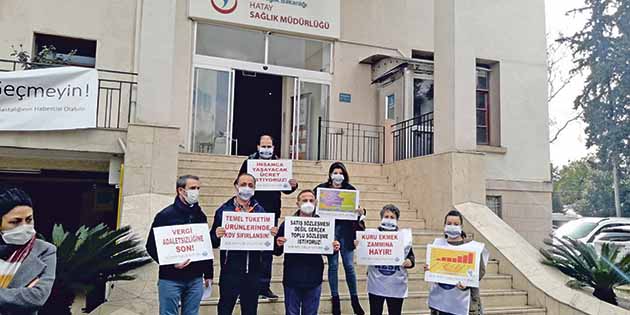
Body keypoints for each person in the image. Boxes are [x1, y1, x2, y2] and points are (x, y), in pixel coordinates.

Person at [238, 134, 298, 299]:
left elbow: (286, 189)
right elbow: (240, 183)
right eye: (263, 146)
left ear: (273, 147)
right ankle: (244, 285)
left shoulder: (279, 165)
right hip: (251, 211)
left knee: (267, 251)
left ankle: (264, 286)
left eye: (269, 146)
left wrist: (293, 186)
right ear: (257, 147)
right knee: (248, 249)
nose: (266, 149)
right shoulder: (249, 163)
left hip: (271, 213)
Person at [210, 173, 279, 315]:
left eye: (250, 185)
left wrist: (272, 235)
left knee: (250, 310)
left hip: (253, 272)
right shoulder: (223, 211)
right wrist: (216, 235)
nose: (247, 188)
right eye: (243, 184)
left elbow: (268, 246)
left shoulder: (261, 211)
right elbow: (213, 241)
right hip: (230, 271)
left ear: (255, 189)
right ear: (236, 186)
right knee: (225, 308)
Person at [146, 175, 213, 315]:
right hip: (170, 279)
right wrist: (171, 263)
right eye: (193, 188)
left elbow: (204, 245)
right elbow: (151, 246)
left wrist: (208, 273)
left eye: (198, 188)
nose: (196, 191)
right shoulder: (164, 216)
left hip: (195, 278)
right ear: (181, 191)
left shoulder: (200, 215)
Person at [274, 190, 341, 315]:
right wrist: (277, 243)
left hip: (314, 278)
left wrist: (334, 247)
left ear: (316, 203)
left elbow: (329, 251)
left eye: (311, 200)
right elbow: (277, 251)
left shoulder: (324, 225)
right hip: (292, 278)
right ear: (297, 203)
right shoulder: (288, 224)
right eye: (304, 200)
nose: (308, 203)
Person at [313, 161, 366, 315]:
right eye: (335, 172)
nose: (338, 175)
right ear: (330, 174)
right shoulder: (321, 189)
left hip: (347, 232)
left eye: (340, 173)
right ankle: (335, 299)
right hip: (330, 231)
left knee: (349, 266)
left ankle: (354, 299)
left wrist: (362, 211)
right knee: (333, 266)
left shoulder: (350, 190)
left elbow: (359, 213)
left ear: (344, 175)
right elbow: (312, 206)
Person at [0, 187, 56, 315]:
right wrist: (20, 294)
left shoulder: (45, 251)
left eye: (29, 220)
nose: (25, 226)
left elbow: (37, 297)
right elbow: (26, 297)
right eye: (15, 222)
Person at [424, 210, 489, 315]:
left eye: (456, 224)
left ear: (461, 227)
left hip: (464, 303)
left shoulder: (472, 248)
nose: (452, 226)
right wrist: (429, 269)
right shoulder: (437, 246)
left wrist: (468, 283)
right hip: (441, 303)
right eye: (449, 223)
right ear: (444, 226)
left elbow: (480, 271)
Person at [361, 204, 415, 315]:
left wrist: (409, 262)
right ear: (381, 218)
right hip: (376, 284)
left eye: (392, 217)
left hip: (396, 285)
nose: (389, 219)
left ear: (397, 220)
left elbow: (411, 257)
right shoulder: (372, 236)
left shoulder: (404, 238)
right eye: (386, 216)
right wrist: (360, 244)